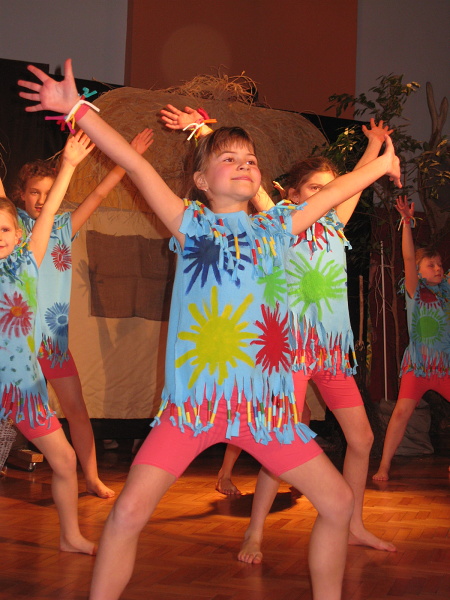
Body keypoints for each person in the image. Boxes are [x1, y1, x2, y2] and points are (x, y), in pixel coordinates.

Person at [18, 59, 401, 600]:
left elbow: (332, 195)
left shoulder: (277, 228)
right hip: (193, 410)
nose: (244, 164)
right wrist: (77, 108)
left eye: (250, 159)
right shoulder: (190, 224)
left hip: (264, 412)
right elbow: (131, 160)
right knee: (127, 513)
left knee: (338, 503)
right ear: (201, 180)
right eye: (229, 158)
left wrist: (381, 164)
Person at [162, 105, 396, 551]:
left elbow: (352, 184)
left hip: (329, 352)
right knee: (281, 439)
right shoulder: (277, 225)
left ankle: (354, 524)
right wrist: (203, 130)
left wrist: (373, 148)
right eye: (313, 188)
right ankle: (255, 531)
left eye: (326, 188)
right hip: (290, 351)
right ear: (292, 194)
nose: (323, 195)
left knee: (362, 437)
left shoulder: (334, 227)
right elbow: (239, 178)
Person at [12, 127, 154, 498]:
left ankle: (91, 477)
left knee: (76, 409)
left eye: (49, 193)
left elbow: (99, 194)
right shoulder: (11, 228)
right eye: (34, 192)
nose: (42, 200)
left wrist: (128, 156)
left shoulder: (62, 227)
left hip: (52, 342)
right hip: (16, 343)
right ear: (21, 194)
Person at [1, 131, 96, 554]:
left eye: (5, 228)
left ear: (17, 233)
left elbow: (50, 212)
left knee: (64, 460)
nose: (0, 235)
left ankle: (70, 536)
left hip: (25, 388)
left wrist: (70, 165)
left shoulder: (27, 261)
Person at [372, 197, 449, 481]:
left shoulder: (446, 290)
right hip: (417, 367)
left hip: (444, 367)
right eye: (431, 265)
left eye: (440, 264)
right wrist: (406, 222)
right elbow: (407, 258)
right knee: (402, 412)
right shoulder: (415, 292)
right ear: (418, 271)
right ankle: (384, 466)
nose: (438, 268)